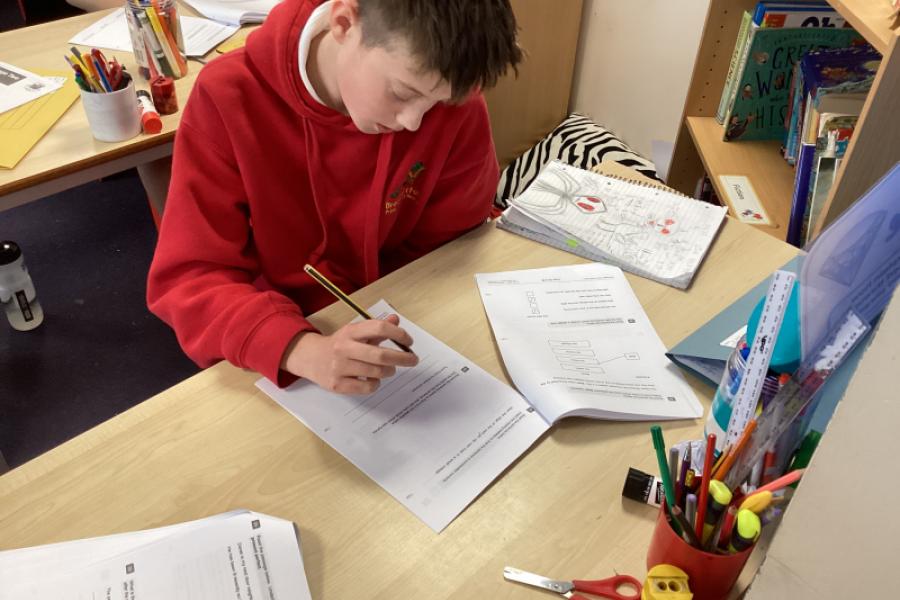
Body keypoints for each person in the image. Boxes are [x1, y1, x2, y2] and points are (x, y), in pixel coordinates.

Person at [147, 0, 521, 395]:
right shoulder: (228, 96)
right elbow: (192, 277)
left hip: (404, 330)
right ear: (343, 23)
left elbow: (457, 245)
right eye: (401, 93)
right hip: (282, 342)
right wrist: (297, 347)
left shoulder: (449, 89)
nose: (413, 121)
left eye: (437, 103)